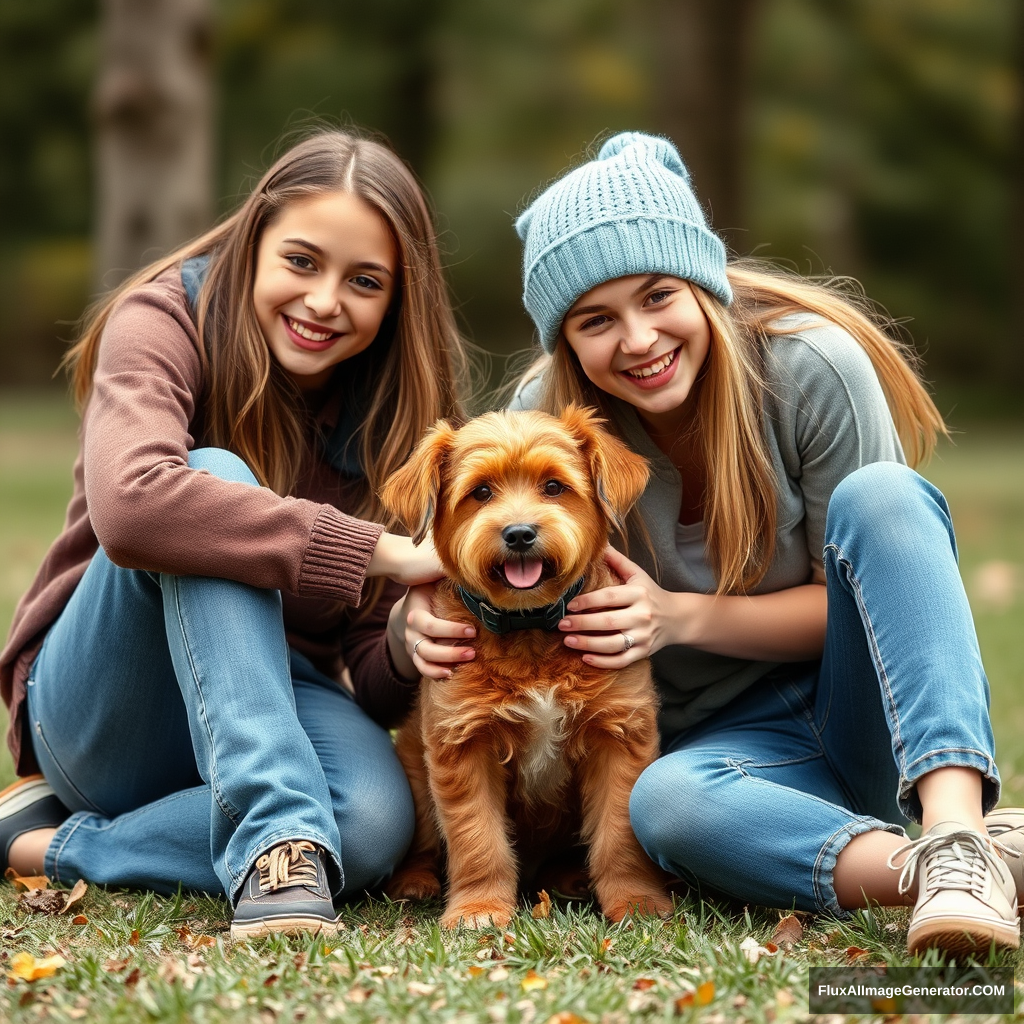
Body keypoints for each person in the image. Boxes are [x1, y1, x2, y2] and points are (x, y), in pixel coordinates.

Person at [406, 130, 1024, 955]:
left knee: (884, 496)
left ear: (704, 283)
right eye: (596, 319)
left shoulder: (813, 368)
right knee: (665, 808)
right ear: (565, 341)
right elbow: (454, 546)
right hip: (720, 757)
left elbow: (879, 600)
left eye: (657, 294)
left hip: (854, 709)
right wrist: (408, 622)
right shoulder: (546, 420)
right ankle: (950, 873)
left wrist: (680, 617)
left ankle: (955, 831)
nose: (637, 339)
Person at [0, 128, 468, 939]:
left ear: (397, 299)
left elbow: (372, 678)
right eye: (302, 261)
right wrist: (375, 549)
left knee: (367, 829)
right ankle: (276, 844)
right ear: (254, 242)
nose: (326, 301)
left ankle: (56, 840)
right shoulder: (163, 316)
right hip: (109, 701)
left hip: (274, 697)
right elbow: (134, 504)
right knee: (211, 477)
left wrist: (401, 636)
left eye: (365, 281)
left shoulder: (398, 416)